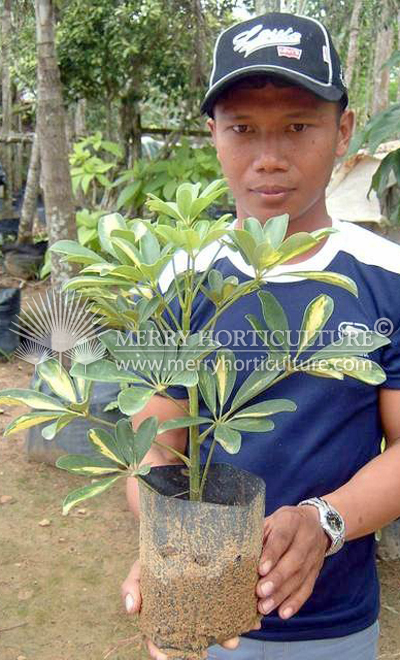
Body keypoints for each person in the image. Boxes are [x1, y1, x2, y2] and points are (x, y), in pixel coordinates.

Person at [121, 11, 400, 660]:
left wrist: (325, 521)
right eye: (244, 129)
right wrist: (169, 535)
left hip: (332, 621)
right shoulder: (179, 280)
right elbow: (149, 443)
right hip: (202, 606)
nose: (270, 158)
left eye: (299, 127)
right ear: (213, 134)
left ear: (344, 133)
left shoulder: (387, 278)